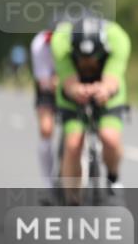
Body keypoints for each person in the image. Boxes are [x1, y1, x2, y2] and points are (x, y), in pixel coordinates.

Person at [50, 15, 132, 204]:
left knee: (110, 137)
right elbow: (68, 80)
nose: (87, 63)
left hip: (107, 88)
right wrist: (76, 90)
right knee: (72, 144)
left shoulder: (119, 39)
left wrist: (104, 90)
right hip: (72, 90)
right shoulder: (60, 42)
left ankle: (113, 177)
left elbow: (113, 77)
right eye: (81, 58)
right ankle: (72, 201)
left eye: (92, 58)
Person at [30, 27, 58, 201]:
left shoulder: (80, 38)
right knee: (46, 129)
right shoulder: (40, 43)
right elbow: (43, 81)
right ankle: (48, 183)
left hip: (74, 83)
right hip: (48, 86)